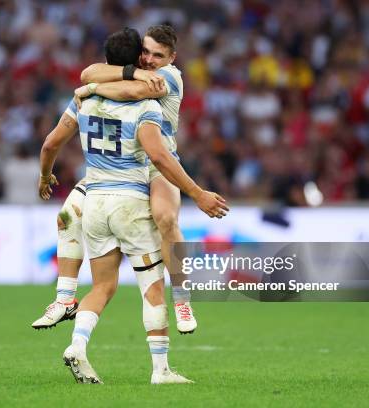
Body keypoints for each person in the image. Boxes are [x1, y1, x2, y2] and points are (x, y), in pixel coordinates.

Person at [38, 28, 228, 384]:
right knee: (70, 215)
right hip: (129, 175)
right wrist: (111, 77)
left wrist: (91, 90)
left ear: (172, 58)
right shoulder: (136, 86)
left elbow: (119, 87)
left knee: (166, 216)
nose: (149, 60)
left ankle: (183, 298)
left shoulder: (168, 77)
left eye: (157, 56)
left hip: (154, 166)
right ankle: (67, 299)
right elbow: (91, 75)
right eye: (145, 53)